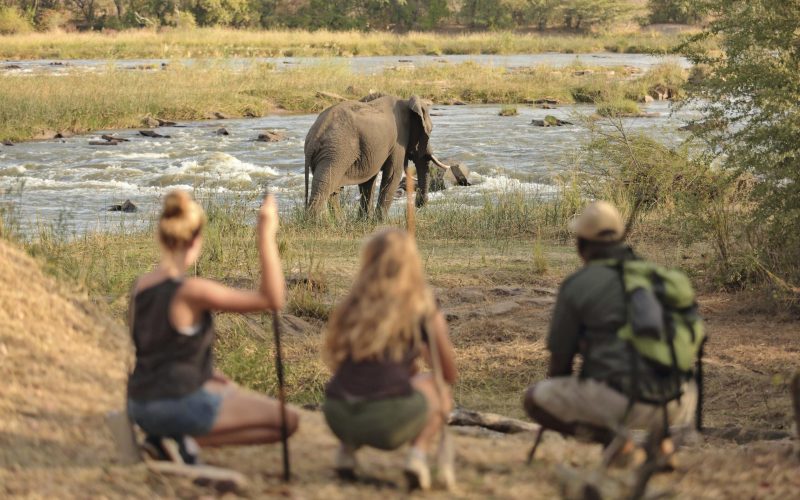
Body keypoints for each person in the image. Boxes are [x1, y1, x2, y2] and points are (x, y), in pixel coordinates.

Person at [127, 190, 298, 462]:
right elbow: (272, 299)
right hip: (175, 403)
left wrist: (205, 374)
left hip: (139, 404)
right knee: (288, 420)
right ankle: (185, 439)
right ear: (195, 240)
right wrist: (266, 235)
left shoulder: (140, 287)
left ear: (161, 236)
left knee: (223, 388)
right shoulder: (191, 290)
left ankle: (163, 438)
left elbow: (158, 350)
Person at [523, 201, 698, 462]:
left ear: (581, 245)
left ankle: (618, 444)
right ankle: (661, 443)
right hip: (681, 400)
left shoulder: (577, 285)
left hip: (620, 400)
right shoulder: (659, 276)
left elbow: (560, 367)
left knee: (534, 400)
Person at [322, 228, 457, 490]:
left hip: (336, 412)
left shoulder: (351, 304)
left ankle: (346, 452)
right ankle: (417, 456)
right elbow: (448, 373)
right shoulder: (423, 308)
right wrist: (428, 350)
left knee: (360, 383)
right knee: (439, 388)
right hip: (384, 423)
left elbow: (340, 363)